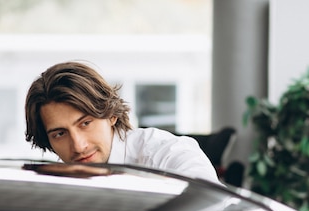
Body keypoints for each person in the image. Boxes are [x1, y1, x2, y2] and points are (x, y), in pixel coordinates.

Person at [24, 61, 220, 183]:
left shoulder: (165, 152)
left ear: (111, 115)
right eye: (60, 134)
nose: (78, 146)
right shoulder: (57, 183)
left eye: (85, 123)